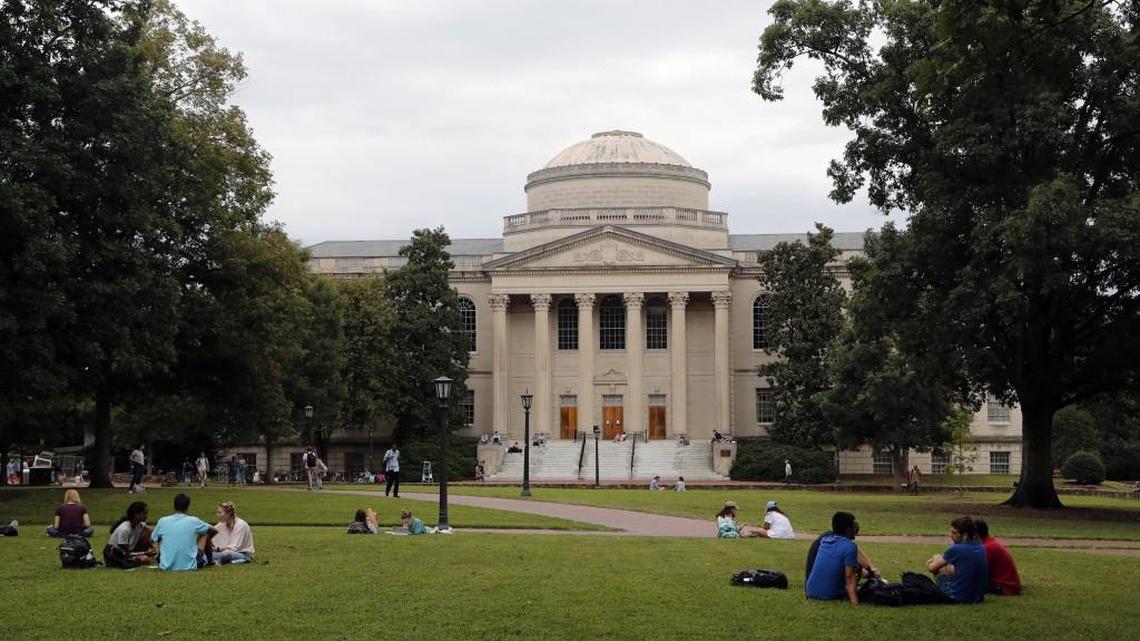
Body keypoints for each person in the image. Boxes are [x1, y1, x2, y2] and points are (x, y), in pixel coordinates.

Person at [926, 516, 988, 604]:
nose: (950, 536)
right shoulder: (981, 546)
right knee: (943, 562)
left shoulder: (956, 549)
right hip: (977, 597)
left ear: (965, 535)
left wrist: (929, 562)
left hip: (957, 597)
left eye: (954, 533)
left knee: (937, 559)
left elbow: (932, 568)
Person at [805, 511, 863, 605]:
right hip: (829, 596)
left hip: (810, 592)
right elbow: (850, 577)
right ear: (848, 529)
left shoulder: (824, 541)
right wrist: (855, 604)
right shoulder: (850, 546)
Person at [151, 493, 217, 571]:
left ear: (174, 505)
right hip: (190, 566)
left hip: (165, 566)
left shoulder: (162, 521)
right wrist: (197, 541)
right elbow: (214, 530)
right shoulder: (193, 521)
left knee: (161, 537)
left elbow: (152, 539)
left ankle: (166, 559)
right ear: (187, 507)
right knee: (206, 533)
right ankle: (211, 562)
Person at [975, 519, 1021, 595]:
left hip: (1004, 587)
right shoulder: (990, 543)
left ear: (975, 535)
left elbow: (982, 573)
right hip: (1009, 585)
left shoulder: (987, 548)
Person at [104, 501, 155, 567]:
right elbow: (126, 551)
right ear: (136, 514)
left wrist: (152, 545)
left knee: (144, 559)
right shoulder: (125, 528)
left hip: (124, 553)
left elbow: (150, 530)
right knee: (143, 560)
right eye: (144, 513)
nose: (146, 516)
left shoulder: (139, 525)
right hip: (114, 553)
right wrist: (145, 553)